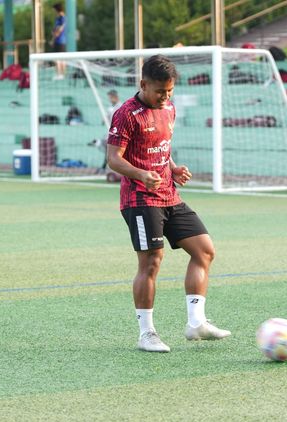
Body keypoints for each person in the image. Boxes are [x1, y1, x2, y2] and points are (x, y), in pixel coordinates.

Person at [106, 55, 231, 352]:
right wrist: (140, 174)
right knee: (151, 262)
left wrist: (172, 168)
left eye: (170, 91)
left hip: (169, 195)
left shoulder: (169, 109)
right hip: (139, 199)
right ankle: (146, 334)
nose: (165, 97)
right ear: (143, 84)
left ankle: (196, 322)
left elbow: (161, 147)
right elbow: (113, 159)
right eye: (160, 91)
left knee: (204, 250)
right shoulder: (126, 114)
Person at [51, 3, 67, 80]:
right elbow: (55, 30)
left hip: (60, 41)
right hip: (58, 41)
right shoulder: (58, 18)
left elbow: (60, 29)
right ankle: (61, 74)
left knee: (58, 58)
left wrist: (54, 37)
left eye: (54, 9)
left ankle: (60, 74)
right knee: (60, 58)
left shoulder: (62, 17)